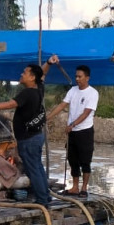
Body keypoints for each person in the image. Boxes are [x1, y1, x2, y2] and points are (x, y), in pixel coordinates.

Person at [0, 63, 51, 207]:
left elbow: (10, 104)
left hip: (28, 139)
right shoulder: (39, 89)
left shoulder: (27, 93)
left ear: (32, 77)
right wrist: (49, 63)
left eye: (25, 72)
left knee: (33, 169)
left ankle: (42, 201)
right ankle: (46, 196)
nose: (21, 74)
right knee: (38, 167)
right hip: (36, 137)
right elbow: (42, 75)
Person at [46, 56, 98, 197]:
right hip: (72, 132)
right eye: (76, 76)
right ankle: (74, 187)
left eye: (80, 76)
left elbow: (87, 113)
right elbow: (62, 105)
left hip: (85, 131)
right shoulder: (73, 90)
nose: (77, 79)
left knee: (85, 161)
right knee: (72, 159)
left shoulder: (93, 93)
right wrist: (48, 118)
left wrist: (73, 124)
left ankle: (84, 188)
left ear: (87, 78)